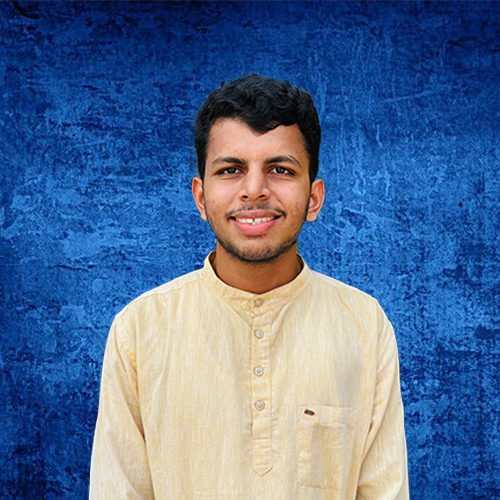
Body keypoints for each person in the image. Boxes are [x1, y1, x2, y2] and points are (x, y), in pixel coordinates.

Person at [90, 74, 409, 499]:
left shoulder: (363, 325)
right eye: (231, 170)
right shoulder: (140, 330)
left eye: (280, 169)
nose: (254, 190)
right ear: (201, 197)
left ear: (314, 198)